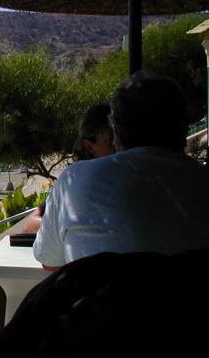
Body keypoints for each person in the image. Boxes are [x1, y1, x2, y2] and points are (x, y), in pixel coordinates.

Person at [34, 71, 209, 270]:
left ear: (116, 134)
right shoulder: (201, 181)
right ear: (183, 127)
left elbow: (49, 262)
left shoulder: (75, 179)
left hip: (103, 300)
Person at [21, 102, 115, 234]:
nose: (117, 145)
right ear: (89, 146)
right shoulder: (75, 180)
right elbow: (30, 224)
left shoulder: (134, 175)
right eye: (111, 140)